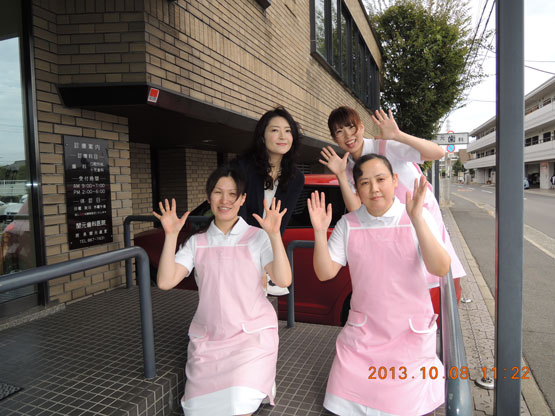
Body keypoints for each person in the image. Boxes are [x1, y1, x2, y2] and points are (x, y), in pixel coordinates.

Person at [308, 153, 448, 416]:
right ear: (356, 188)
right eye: (365, 182)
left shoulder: (417, 216)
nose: (374, 189)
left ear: (394, 180)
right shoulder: (348, 224)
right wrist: (318, 231)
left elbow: (440, 268)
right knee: (342, 405)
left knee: (404, 407)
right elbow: (325, 273)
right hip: (363, 339)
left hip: (408, 338)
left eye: (381, 179)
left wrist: (417, 220)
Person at [154, 165, 292, 416]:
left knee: (238, 404)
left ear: (242, 199)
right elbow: (165, 281)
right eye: (218, 192)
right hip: (209, 340)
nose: (225, 200)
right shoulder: (197, 242)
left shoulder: (257, 237)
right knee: (196, 410)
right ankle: (257, 386)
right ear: (209, 197)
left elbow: (283, 280)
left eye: (232, 194)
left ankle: (257, 383)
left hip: (252, 337)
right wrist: (171, 235)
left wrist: (274, 236)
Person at [319, 106, 465, 285]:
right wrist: (341, 175)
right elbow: (356, 208)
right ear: (334, 138)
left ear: (362, 126)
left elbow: (437, 153)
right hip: (392, 230)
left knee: (442, 281)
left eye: (351, 127)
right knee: (405, 282)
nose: (348, 135)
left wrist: (398, 135)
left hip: (423, 220)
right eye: (339, 132)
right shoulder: (348, 168)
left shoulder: (385, 146)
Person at [233, 106, 305, 295]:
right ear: (262, 136)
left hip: (265, 250)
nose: (283, 136)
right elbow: (235, 216)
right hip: (236, 249)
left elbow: (281, 224)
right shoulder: (241, 168)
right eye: (275, 130)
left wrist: (267, 259)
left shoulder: (296, 178)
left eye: (288, 131)